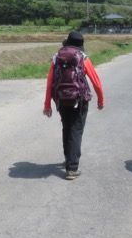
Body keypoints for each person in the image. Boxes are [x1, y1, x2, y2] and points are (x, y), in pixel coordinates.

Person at [43, 31, 104, 180]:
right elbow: (95, 81)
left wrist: (47, 104)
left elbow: (50, 81)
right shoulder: (83, 57)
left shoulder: (57, 57)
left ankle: (68, 159)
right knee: (76, 130)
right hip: (79, 99)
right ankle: (72, 168)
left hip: (61, 99)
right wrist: (100, 99)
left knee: (67, 128)